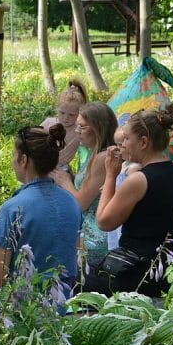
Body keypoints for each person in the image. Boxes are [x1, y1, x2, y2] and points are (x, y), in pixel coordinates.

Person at [84, 105, 173, 298]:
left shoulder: (139, 180)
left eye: (126, 138)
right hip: (166, 272)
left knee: (72, 276)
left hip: (135, 274)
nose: (122, 144)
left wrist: (110, 175)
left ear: (143, 142)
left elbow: (104, 221)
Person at [0, 124, 82, 293]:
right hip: (61, 301)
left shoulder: (11, 209)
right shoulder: (72, 203)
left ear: (23, 160)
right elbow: (76, 262)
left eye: (13, 155)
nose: (12, 161)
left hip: (21, 307)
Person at [53, 102, 117, 265]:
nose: (77, 131)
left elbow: (81, 203)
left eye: (83, 127)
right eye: (77, 126)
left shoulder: (102, 157)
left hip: (96, 239)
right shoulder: (93, 153)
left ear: (98, 128)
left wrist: (65, 181)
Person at [40, 78, 88, 170]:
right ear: (57, 108)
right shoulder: (48, 123)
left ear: (80, 113)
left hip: (62, 168)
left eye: (71, 115)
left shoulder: (79, 130)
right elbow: (32, 139)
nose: (66, 118)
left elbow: (89, 149)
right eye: (62, 113)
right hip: (41, 164)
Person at [106, 125, 141, 251]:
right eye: (117, 145)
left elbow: (130, 190)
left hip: (123, 210)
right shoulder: (123, 164)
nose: (120, 149)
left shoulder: (134, 167)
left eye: (122, 145)